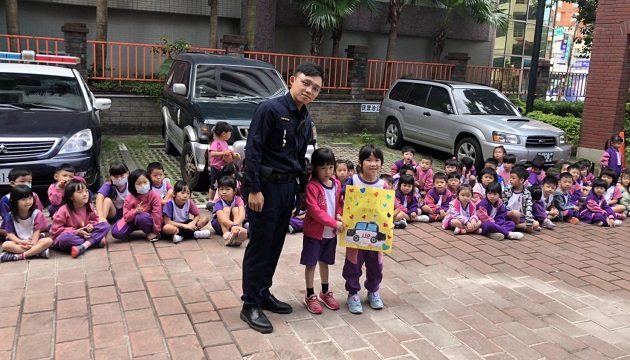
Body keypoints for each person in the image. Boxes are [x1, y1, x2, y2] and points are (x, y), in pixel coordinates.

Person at [240, 62, 322, 334]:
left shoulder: (305, 118)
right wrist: (253, 189)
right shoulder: (270, 109)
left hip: (287, 190)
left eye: (316, 88)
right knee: (260, 245)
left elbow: (300, 158)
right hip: (264, 188)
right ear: (292, 80)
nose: (309, 90)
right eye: (306, 83)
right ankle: (250, 304)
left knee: (275, 244)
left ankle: (263, 293)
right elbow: (253, 150)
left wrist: (300, 192)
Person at [342, 144, 394, 314]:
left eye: (377, 160)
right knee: (353, 264)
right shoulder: (353, 181)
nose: (373, 164)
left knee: (375, 265)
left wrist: (390, 221)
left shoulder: (384, 186)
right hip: (356, 233)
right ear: (360, 162)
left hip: (376, 235)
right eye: (369, 160)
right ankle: (353, 293)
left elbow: (390, 208)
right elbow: (343, 201)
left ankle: (373, 291)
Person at [301, 148, 343, 314]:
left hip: (329, 234)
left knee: (325, 262)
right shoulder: (312, 187)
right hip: (314, 233)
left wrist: (338, 215)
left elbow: (338, 203)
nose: (328, 172)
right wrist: (333, 223)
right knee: (311, 263)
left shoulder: (337, 184)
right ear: (315, 168)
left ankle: (325, 292)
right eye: (323, 168)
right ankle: (310, 294)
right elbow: (314, 210)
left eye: (331, 167)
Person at [51, 179, 109, 258]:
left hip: (84, 233)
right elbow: (55, 230)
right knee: (64, 239)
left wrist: (90, 225)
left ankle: (84, 245)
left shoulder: (89, 206)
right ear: (71, 196)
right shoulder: (63, 210)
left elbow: (94, 220)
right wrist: (76, 232)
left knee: (105, 226)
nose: (85, 194)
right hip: (72, 235)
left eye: (86, 191)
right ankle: (93, 242)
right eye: (80, 192)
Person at [0, 185, 53, 262]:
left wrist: (33, 243)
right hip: (18, 242)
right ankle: (37, 252)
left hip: (34, 240)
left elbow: (37, 230)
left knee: (48, 241)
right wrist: (20, 241)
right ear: (14, 201)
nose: (28, 201)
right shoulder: (10, 216)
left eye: (30, 198)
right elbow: (10, 234)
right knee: (6, 245)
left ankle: (19, 256)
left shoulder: (37, 213)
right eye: (23, 199)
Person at [111, 169, 162, 242]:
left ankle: (149, 232)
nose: (143, 186)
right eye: (139, 183)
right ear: (133, 185)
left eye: (145, 182)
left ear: (149, 182)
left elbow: (157, 214)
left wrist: (156, 231)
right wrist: (134, 212)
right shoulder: (129, 198)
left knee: (141, 217)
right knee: (116, 233)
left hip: (147, 221)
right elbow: (126, 217)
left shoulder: (155, 196)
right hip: (132, 220)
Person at [208, 121, 239, 207]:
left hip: (223, 167)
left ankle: (219, 198)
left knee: (222, 183)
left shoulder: (225, 143)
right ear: (224, 134)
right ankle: (210, 200)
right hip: (216, 167)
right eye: (229, 132)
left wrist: (232, 154)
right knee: (214, 184)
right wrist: (223, 153)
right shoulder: (215, 142)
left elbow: (227, 153)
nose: (230, 134)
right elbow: (212, 154)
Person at [212, 176, 248, 246]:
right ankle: (226, 235)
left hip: (235, 226)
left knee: (235, 209)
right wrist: (233, 225)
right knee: (226, 209)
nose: (224, 192)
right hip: (221, 226)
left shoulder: (238, 199)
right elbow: (222, 219)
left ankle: (238, 233)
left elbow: (242, 215)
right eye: (221, 189)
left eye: (227, 189)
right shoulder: (218, 203)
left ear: (234, 191)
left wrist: (236, 225)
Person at [503, 166, 539, 231]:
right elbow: (503, 203)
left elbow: (528, 208)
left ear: (521, 180)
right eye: (510, 177)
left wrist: (529, 223)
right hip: (508, 214)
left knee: (536, 224)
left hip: (521, 217)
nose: (510, 179)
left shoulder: (527, 193)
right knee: (516, 213)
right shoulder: (507, 190)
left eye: (513, 178)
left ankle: (516, 226)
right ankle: (517, 226)